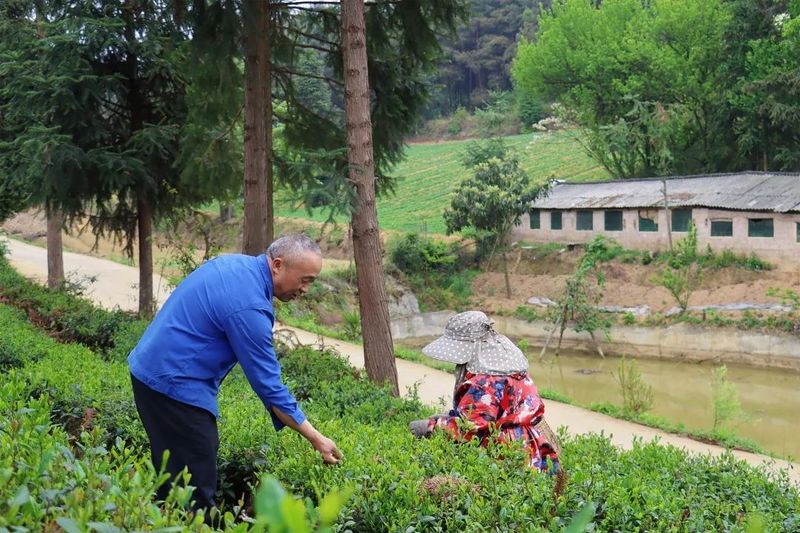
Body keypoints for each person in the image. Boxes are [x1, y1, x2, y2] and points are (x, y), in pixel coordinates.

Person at [128, 234, 342, 516]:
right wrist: (316, 437)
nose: (305, 289)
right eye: (305, 280)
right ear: (277, 265)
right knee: (195, 495)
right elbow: (269, 386)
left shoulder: (237, 265)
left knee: (174, 482)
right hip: (173, 387)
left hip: (151, 371)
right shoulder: (249, 306)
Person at [409, 311, 559, 473]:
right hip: (531, 442)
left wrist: (431, 426)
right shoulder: (505, 367)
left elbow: (471, 428)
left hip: (509, 451)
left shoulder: (484, 382)